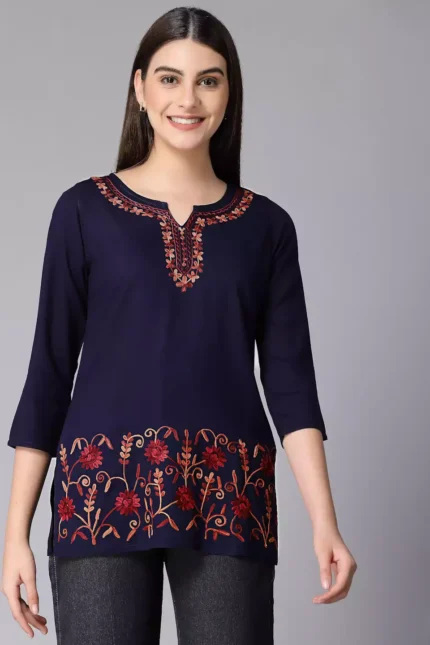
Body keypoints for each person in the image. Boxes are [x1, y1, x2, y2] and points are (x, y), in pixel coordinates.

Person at [1, 6, 357, 644]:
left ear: (229, 94)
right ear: (139, 88)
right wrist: (14, 536)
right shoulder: (82, 212)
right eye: (170, 79)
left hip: (230, 497)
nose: (187, 99)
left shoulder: (267, 228)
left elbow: (291, 386)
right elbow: (48, 374)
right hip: (99, 496)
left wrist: (325, 523)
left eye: (208, 80)